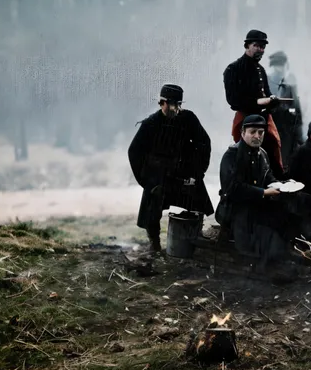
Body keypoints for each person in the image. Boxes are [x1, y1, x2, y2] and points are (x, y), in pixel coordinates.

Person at [128, 84, 214, 253]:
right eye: (172, 104)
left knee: (197, 202)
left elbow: (204, 143)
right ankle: (154, 243)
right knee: (152, 209)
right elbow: (134, 152)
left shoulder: (189, 119)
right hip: (158, 176)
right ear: (162, 103)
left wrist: (198, 172)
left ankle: (195, 237)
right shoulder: (150, 124)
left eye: (179, 104)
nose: (176, 108)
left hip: (184, 173)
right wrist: (146, 181)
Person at [215, 115, 300, 275]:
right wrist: (263, 192)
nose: (257, 136)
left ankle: (281, 255)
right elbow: (232, 189)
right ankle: (258, 264)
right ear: (242, 132)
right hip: (235, 209)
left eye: (261, 132)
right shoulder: (232, 155)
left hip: (257, 205)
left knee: (286, 215)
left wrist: (281, 185)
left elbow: (268, 178)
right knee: (258, 234)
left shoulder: (262, 154)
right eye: (253, 132)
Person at [223, 29, 286, 179]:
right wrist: (258, 102)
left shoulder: (260, 70)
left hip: (264, 120)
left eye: (263, 47)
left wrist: (272, 100)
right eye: (257, 45)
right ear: (247, 45)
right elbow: (233, 100)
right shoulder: (233, 69)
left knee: (273, 152)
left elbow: (267, 93)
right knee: (246, 157)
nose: (261, 50)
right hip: (246, 120)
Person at [267, 51, 304, 171]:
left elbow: (296, 106)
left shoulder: (290, 81)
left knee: (287, 157)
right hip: (270, 124)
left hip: (287, 128)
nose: (280, 68)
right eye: (277, 65)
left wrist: (299, 134)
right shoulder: (266, 80)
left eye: (281, 65)